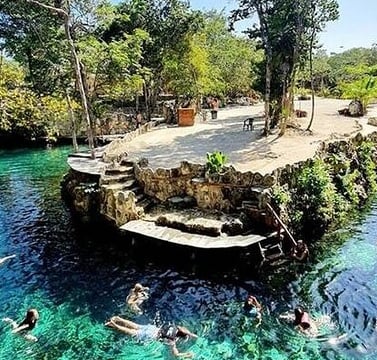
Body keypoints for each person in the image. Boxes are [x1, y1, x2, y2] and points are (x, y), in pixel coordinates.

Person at [106, 316, 197, 358]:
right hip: (151, 336)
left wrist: (191, 334)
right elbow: (176, 355)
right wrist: (187, 355)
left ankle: (119, 319)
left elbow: (184, 330)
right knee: (131, 332)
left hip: (153, 329)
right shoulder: (172, 341)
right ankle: (114, 325)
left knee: (136, 326)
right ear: (180, 337)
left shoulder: (175, 327)